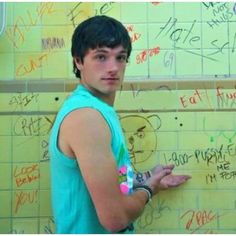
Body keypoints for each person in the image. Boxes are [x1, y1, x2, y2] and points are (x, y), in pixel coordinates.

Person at [49, 15, 191, 234]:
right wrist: (148, 189)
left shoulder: (99, 110)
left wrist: (146, 178)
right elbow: (115, 219)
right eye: (101, 57)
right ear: (78, 61)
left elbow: (113, 180)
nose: (113, 67)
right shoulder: (86, 118)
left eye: (120, 57)